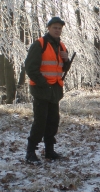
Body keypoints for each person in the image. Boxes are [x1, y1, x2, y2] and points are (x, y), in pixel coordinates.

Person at [25, 17, 71, 163]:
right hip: (41, 90)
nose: (57, 30)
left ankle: (49, 151)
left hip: (55, 90)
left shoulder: (62, 46)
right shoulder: (40, 44)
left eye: (59, 28)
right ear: (49, 28)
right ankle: (30, 152)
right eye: (55, 28)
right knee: (40, 122)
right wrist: (43, 83)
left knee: (53, 121)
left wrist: (66, 60)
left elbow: (63, 68)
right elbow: (31, 68)